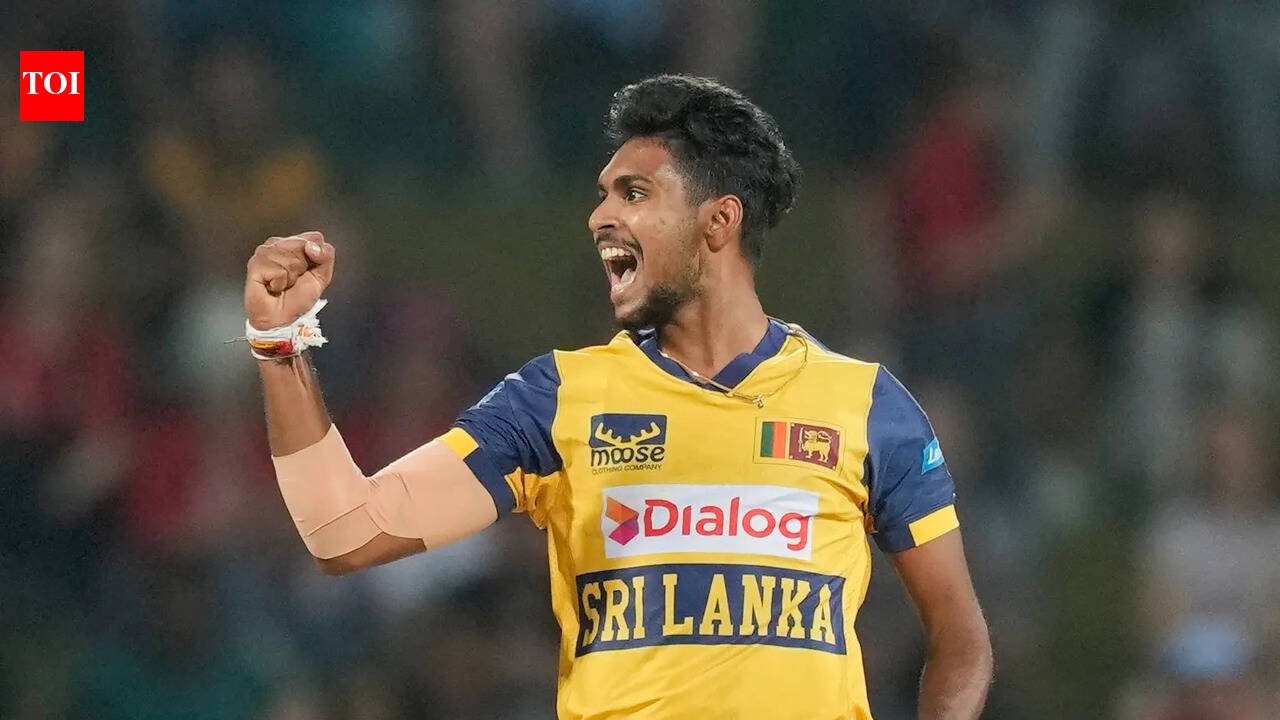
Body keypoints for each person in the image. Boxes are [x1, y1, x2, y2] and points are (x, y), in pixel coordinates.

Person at [244, 75, 992, 719]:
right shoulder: (556, 400)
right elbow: (345, 532)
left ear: (719, 221)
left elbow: (959, 634)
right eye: (603, 195)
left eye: (634, 194)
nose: (600, 216)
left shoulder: (866, 404)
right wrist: (280, 344)